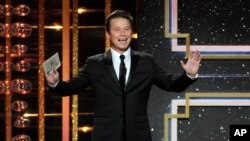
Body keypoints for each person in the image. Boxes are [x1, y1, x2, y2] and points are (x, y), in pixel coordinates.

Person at [46, 10, 202, 141]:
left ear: (131, 32)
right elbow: (72, 87)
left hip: (138, 136)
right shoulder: (95, 63)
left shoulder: (146, 61)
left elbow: (171, 84)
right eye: (117, 29)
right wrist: (55, 83)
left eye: (127, 29)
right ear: (108, 34)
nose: (123, 34)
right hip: (105, 136)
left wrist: (188, 75)